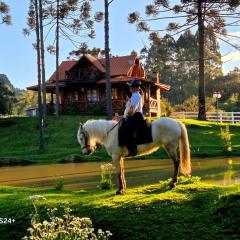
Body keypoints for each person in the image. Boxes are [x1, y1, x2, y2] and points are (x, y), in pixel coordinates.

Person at [123, 79, 145, 157]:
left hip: (136, 116)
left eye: (131, 87)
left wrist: (126, 116)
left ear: (136, 88)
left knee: (126, 129)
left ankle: (132, 150)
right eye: (131, 86)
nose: (130, 88)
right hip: (134, 116)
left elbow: (132, 110)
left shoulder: (136, 96)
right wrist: (123, 116)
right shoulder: (134, 96)